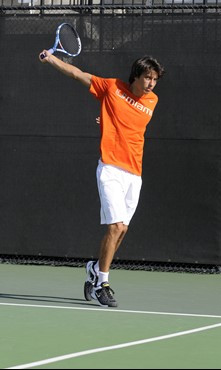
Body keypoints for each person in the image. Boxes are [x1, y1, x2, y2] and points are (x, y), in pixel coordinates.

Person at [39, 50, 165, 308]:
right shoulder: (111, 87)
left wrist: (106, 119)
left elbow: (128, 124)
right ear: (136, 76)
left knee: (123, 230)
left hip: (135, 175)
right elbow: (77, 74)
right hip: (110, 169)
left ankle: (94, 268)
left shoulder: (153, 101)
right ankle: (101, 283)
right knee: (115, 227)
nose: (151, 83)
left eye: (155, 79)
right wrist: (50, 59)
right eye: (147, 78)